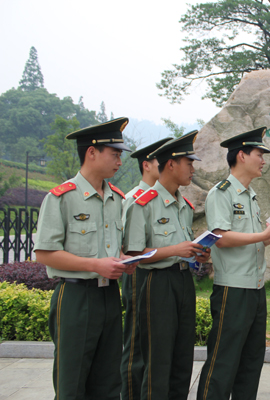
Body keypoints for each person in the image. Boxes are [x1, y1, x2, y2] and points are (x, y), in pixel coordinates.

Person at [34, 117, 136, 399]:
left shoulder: (117, 198)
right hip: (75, 297)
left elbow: (112, 248)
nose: (119, 160)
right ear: (92, 152)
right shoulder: (61, 198)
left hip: (109, 297)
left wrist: (123, 261)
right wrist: (96, 265)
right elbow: (45, 253)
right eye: (114, 154)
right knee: (72, 381)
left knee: (108, 381)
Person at [196, 127, 270, 400]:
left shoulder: (250, 196)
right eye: (259, 154)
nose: (263, 160)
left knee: (251, 361)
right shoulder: (221, 193)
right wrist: (263, 234)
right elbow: (221, 238)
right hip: (232, 290)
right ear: (241, 156)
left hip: (256, 288)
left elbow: (247, 239)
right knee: (223, 361)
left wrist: (269, 239)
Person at [123, 130, 210, 400]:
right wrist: (175, 249)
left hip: (183, 282)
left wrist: (197, 253)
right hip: (156, 284)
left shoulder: (183, 205)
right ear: (170, 164)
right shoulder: (143, 204)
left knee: (182, 355)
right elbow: (133, 253)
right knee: (157, 358)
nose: (193, 169)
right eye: (189, 163)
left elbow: (182, 248)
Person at [120, 136, 171, 400]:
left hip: (156, 275)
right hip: (137, 273)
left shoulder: (163, 198)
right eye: (158, 160)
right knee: (135, 339)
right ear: (146, 165)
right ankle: (129, 393)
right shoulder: (133, 199)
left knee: (149, 341)